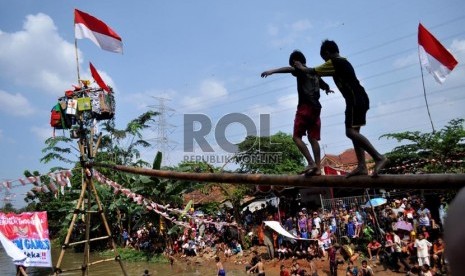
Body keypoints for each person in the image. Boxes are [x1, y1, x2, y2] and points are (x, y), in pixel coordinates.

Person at [293, 39, 387, 177]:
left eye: (324, 58)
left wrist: (300, 67)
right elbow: (319, 77)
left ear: (327, 53)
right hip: (359, 98)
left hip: (355, 99)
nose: (325, 62)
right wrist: (324, 86)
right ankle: (362, 166)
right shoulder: (343, 62)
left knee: (350, 132)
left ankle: (378, 157)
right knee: (355, 133)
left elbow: (312, 71)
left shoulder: (335, 62)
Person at [261, 50, 332, 176]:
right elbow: (324, 85)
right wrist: (327, 89)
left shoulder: (298, 68)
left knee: (296, 137)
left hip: (305, 107)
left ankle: (311, 162)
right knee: (312, 138)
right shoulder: (314, 72)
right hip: (316, 108)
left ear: (295, 62)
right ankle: (317, 168)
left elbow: (288, 69)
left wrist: (272, 71)